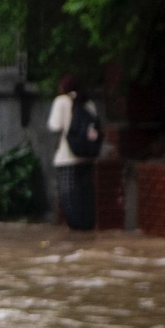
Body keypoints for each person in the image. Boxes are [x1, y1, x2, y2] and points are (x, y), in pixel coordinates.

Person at [48, 74, 98, 230]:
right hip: (87, 157)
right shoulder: (88, 103)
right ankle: (88, 233)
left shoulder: (61, 101)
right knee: (86, 197)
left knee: (69, 199)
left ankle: (76, 236)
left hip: (67, 158)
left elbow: (54, 126)